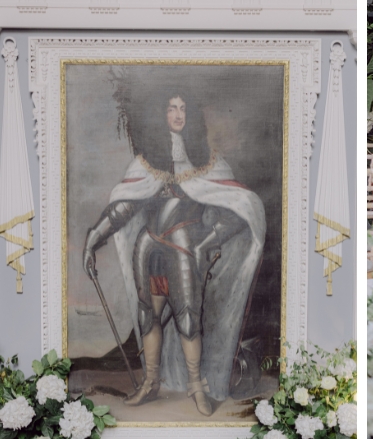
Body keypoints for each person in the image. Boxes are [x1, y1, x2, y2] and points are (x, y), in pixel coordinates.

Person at [82, 92, 265, 416]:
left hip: (184, 248)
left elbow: (238, 208)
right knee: (148, 316)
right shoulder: (147, 162)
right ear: (162, 114)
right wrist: (93, 240)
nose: (177, 114)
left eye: (183, 108)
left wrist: (208, 242)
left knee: (187, 319)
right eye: (171, 108)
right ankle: (151, 383)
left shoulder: (208, 161)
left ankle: (197, 389)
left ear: (190, 115)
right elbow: (125, 205)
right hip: (147, 246)